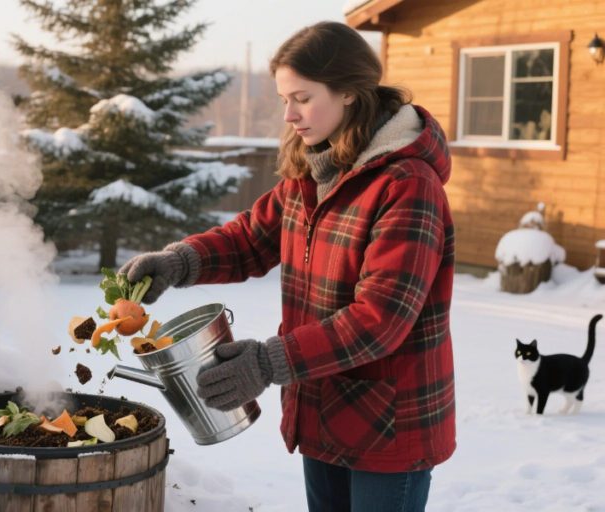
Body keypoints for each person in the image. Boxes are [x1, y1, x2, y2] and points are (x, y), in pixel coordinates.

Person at [119, 21, 455, 512]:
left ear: (348, 94)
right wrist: (179, 262)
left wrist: (267, 361)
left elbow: (380, 321)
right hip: (321, 405)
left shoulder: (406, 185)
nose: (289, 115)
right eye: (284, 99)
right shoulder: (315, 169)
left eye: (301, 98)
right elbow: (250, 239)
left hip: (388, 424)